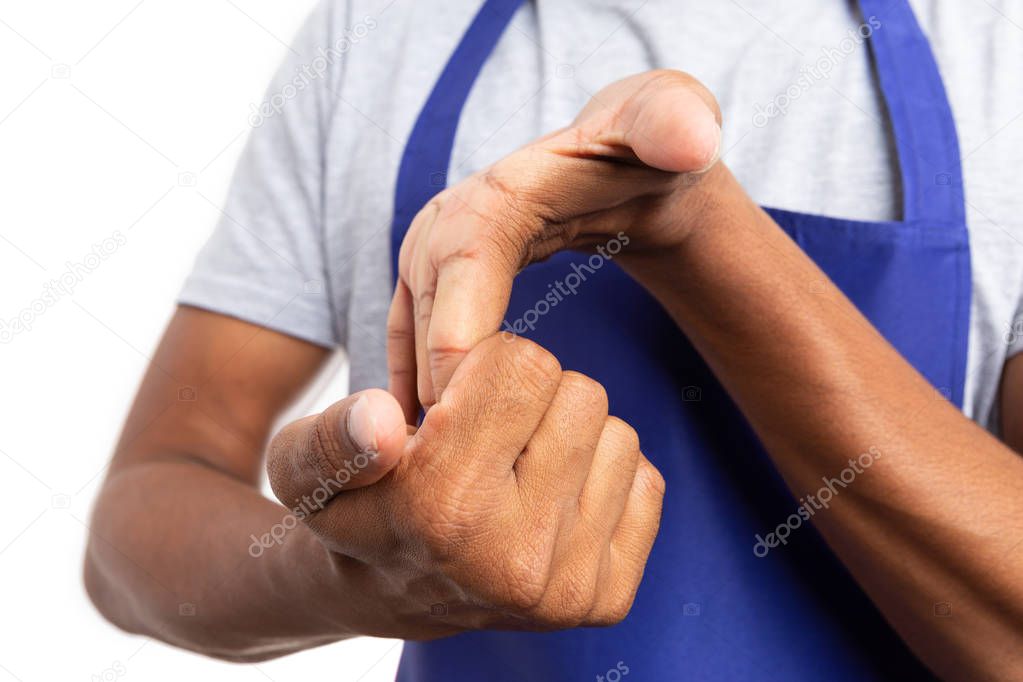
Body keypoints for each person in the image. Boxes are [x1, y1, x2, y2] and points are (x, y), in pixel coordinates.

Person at [84, 1, 1023, 679]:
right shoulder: (378, 35)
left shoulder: (998, 54)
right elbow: (136, 522)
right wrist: (352, 576)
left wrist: (697, 233)